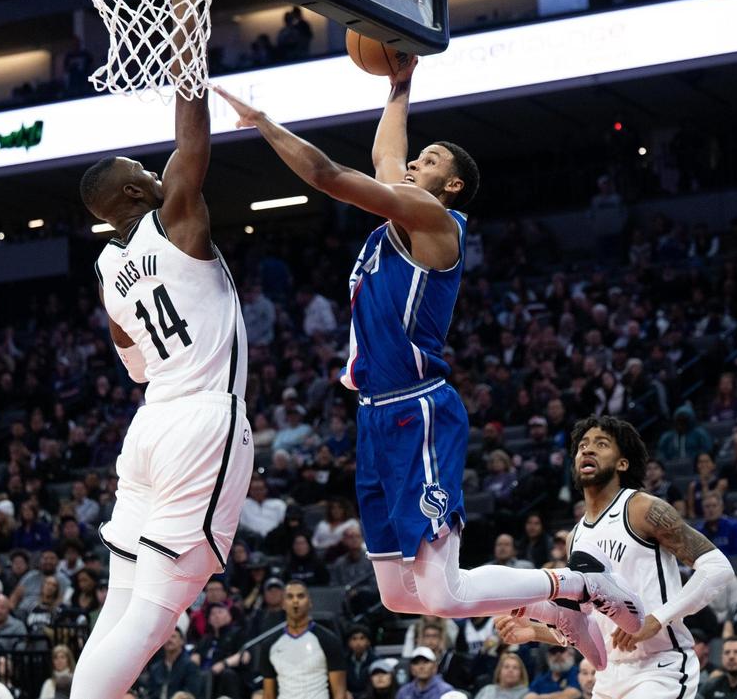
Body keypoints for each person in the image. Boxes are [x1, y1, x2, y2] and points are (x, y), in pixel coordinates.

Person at [214, 64, 642, 659]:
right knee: (396, 595)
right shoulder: (403, 210)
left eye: (432, 160)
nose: (416, 161)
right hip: (372, 415)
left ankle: (577, 586)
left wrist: (260, 122)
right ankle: (545, 606)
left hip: (419, 410)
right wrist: (399, 86)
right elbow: (386, 153)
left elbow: (328, 174)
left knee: (441, 594)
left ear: (454, 187)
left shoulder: (435, 223)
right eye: (421, 156)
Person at [72, 0, 253, 696]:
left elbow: (136, 363)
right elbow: (194, 123)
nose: (156, 168)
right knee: (153, 618)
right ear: (137, 187)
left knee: (119, 608)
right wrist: (184, 18)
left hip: (147, 428)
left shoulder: (107, 276)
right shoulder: (175, 215)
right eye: (142, 167)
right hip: (199, 423)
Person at [495, 415, 736, 699]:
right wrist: (537, 632)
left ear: (622, 463)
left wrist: (656, 619)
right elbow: (590, 624)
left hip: (658, 669)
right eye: (583, 445)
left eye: (601, 444)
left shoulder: (642, 508)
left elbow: (717, 567)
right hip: (607, 675)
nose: (587, 449)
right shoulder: (576, 537)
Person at [261, 580, 347, 699]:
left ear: (310, 602)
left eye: (300, 596)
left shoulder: (329, 640)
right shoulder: (269, 645)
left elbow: (340, 693)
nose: (295, 601)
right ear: (283, 604)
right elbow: (268, 695)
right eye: (290, 597)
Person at [145, 629, 202, 699]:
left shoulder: (190, 666)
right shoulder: (155, 668)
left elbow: (190, 694)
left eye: (173, 637)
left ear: (182, 641)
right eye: (167, 637)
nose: (169, 640)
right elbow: (149, 693)